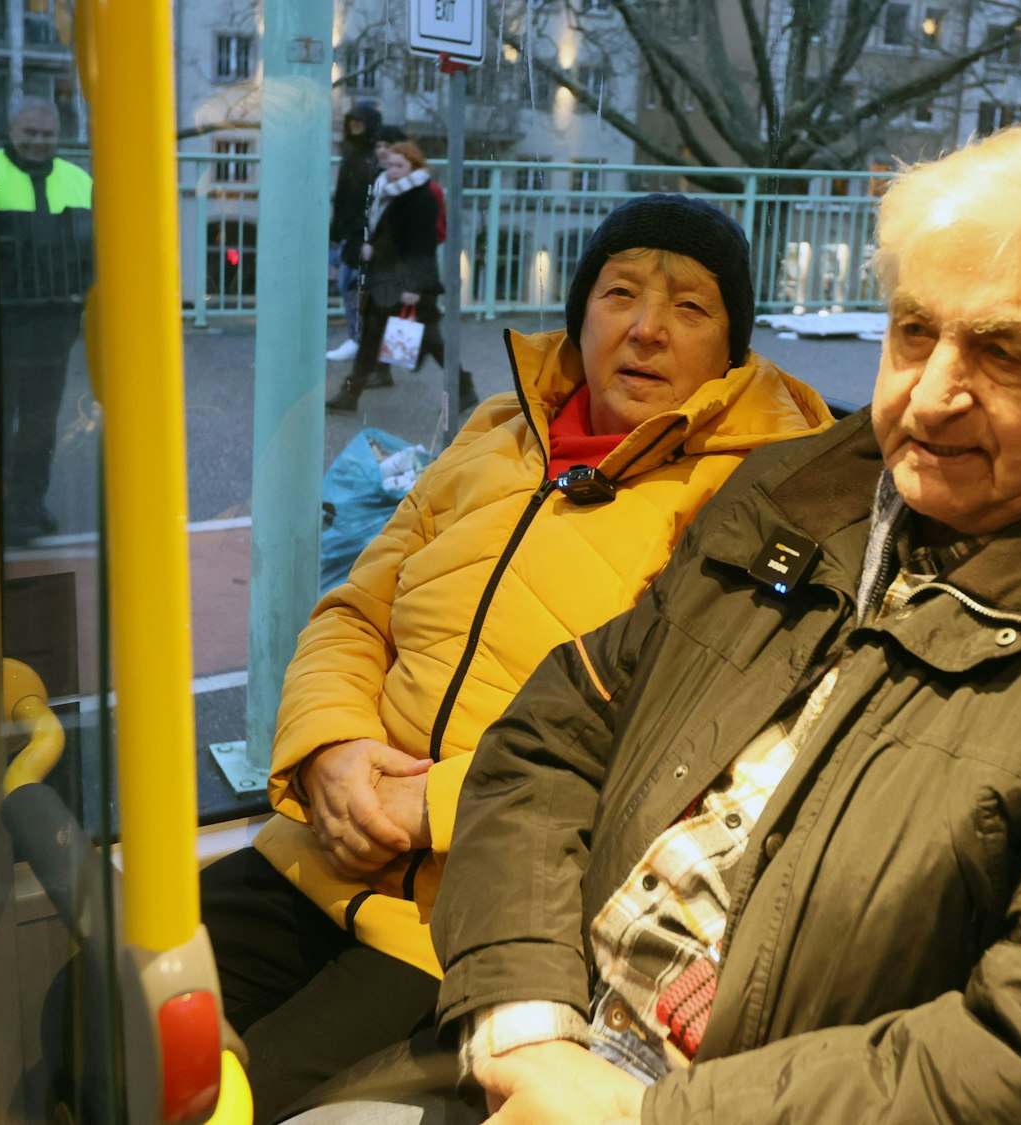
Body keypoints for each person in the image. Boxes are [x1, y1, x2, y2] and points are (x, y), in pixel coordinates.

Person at [292, 121, 1021, 1124]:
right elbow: (552, 734)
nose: (933, 394)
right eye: (913, 331)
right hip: (545, 1040)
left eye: (1002, 351)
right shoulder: (794, 491)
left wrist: (642, 1116)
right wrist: (527, 1029)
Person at [200, 194, 834, 1121]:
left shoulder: (748, 495)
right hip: (323, 853)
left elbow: (678, 748)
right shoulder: (495, 433)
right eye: (620, 293)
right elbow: (354, 612)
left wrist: (436, 805)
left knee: (257, 1095)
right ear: (581, 317)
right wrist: (332, 749)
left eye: (691, 308)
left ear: (731, 349)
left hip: (481, 914)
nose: (647, 329)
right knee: (109, 1003)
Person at [0, 97, 93, 544]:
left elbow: (94, 251)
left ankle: (29, 503)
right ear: (13, 131)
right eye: (30, 133)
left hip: (54, 323)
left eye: (47, 134)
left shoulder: (77, 179)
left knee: (39, 419)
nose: (38, 142)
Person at [328, 141, 443, 413]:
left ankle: (463, 388)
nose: (392, 171)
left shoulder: (421, 197)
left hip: (408, 280)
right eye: (390, 165)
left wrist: (415, 285)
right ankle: (350, 394)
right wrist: (372, 248)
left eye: (399, 166)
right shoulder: (392, 192)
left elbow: (422, 245)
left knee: (434, 341)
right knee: (371, 335)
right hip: (388, 277)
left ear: (415, 167)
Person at [327, 102, 384, 363]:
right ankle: (362, 343)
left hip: (360, 234)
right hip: (349, 232)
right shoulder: (353, 155)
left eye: (360, 125)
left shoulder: (372, 159)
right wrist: (336, 231)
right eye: (353, 124)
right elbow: (342, 197)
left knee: (352, 286)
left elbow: (369, 200)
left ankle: (358, 339)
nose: (355, 129)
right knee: (350, 285)